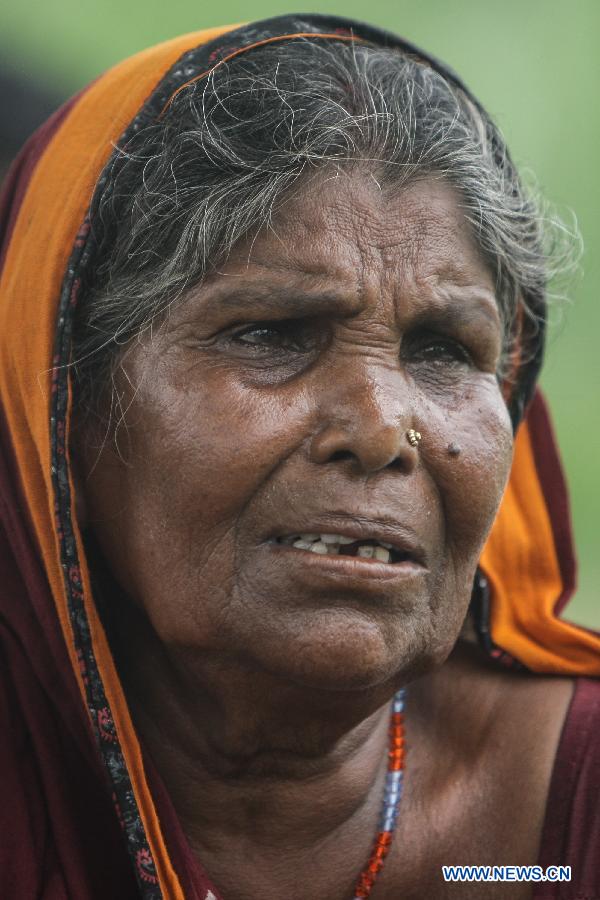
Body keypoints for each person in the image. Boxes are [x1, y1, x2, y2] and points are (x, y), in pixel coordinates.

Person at [0, 14, 598, 900]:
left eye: (442, 349)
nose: (382, 428)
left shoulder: (541, 847)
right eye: (271, 334)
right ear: (64, 407)